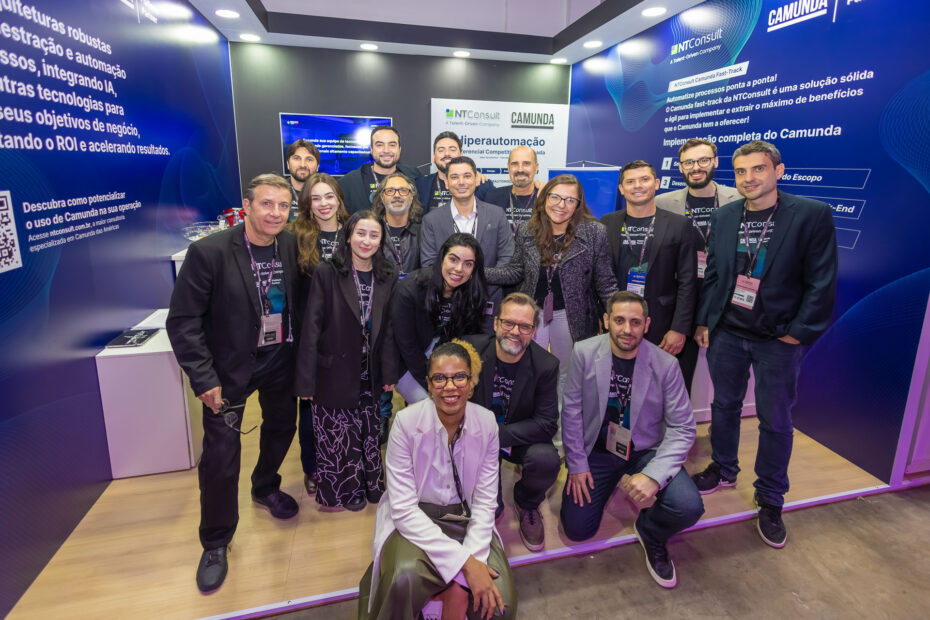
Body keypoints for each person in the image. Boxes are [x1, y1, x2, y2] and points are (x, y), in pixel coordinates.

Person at [692, 140, 838, 548]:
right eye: (741, 171)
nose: (749, 178)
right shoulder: (724, 216)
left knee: (775, 419)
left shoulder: (810, 214)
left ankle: (771, 497)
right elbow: (715, 274)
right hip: (728, 332)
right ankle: (723, 468)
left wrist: (798, 332)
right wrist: (705, 320)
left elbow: (822, 280)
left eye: (758, 169)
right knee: (724, 406)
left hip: (778, 339)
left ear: (779, 171)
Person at [166, 173, 300, 593]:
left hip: (280, 361)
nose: (275, 213)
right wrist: (203, 377)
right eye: (267, 204)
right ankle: (216, 541)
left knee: (282, 428)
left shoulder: (291, 245)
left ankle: (265, 486)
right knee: (221, 457)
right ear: (247, 206)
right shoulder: (209, 252)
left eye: (283, 205)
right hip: (228, 371)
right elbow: (183, 321)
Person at [358, 340, 517, 620]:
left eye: (459, 377)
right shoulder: (406, 424)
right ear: (429, 386)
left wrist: (467, 571)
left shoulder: (487, 423)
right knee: (402, 577)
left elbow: (484, 502)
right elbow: (404, 510)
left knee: (498, 604)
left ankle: (449, 592)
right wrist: (466, 564)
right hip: (416, 522)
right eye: (440, 378)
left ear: (471, 383)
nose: (450, 386)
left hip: (468, 521)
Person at [560, 291, 704, 588]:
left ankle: (651, 530)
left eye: (635, 322)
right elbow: (571, 410)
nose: (627, 329)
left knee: (688, 506)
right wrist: (577, 463)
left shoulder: (666, 364)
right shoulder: (584, 352)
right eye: (619, 320)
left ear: (647, 325)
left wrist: (653, 475)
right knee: (577, 529)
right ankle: (610, 481)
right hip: (598, 450)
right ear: (606, 321)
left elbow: (683, 428)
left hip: (645, 450)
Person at [295, 210, 399, 511]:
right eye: (360, 233)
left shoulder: (387, 275)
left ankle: (370, 485)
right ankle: (345, 491)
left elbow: (389, 329)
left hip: (370, 369)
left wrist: (389, 372)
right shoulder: (327, 272)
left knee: (369, 431)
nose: (366, 241)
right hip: (333, 368)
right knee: (339, 435)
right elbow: (311, 326)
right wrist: (305, 380)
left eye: (374, 235)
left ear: (381, 241)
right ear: (349, 236)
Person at [486, 174, 617, 398]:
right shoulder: (528, 229)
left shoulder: (595, 233)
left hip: (570, 315)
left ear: (578, 204)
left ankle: (561, 419)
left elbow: (605, 282)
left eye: (569, 200)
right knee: (528, 369)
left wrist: (618, 313)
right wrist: (477, 272)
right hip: (531, 314)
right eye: (555, 197)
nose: (561, 205)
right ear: (545, 198)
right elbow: (515, 271)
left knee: (566, 373)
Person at [464, 293, 560, 552]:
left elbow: (547, 423)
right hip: (477, 439)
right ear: (496, 323)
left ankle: (527, 502)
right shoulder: (471, 351)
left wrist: (496, 434)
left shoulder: (546, 365)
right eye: (508, 323)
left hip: (516, 437)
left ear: (534, 331)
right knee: (490, 511)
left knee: (546, 460)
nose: (515, 332)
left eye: (524, 326)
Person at [601, 161, 698, 391]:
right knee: (618, 386)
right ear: (621, 188)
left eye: (644, 179)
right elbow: (600, 275)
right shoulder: (607, 223)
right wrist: (602, 317)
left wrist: (679, 328)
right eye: (630, 181)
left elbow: (688, 281)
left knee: (659, 390)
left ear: (656, 183)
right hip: (617, 322)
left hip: (662, 324)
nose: (638, 186)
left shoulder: (679, 224)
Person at [656, 138, 741, 391]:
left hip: (723, 300)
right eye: (689, 162)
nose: (696, 167)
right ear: (680, 167)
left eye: (703, 160)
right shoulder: (663, 202)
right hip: (680, 299)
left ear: (715, 162)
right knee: (676, 376)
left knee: (727, 382)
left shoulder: (738, 199)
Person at [289, 172, 351, 494]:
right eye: (316, 198)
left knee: (347, 401)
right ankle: (313, 466)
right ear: (307, 203)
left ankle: (346, 459)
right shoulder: (295, 236)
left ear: (339, 199)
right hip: (310, 335)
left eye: (329, 196)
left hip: (349, 334)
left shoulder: (354, 231)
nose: (324, 204)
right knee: (310, 403)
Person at [391, 233, 490, 404]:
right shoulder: (410, 290)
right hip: (406, 363)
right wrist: (435, 383)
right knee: (439, 405)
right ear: (442, 258)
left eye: (468, 264)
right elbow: (408, 348)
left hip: (444, 358)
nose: (459, 269)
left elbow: (466, 340)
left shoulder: (471, 292)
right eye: (453, 260)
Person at [420, 156, 514, 306]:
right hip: (446, 302)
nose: (461, 182)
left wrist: (473, 275)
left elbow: (507, 260)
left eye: (467, 176)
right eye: (454, 177)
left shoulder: (497, 214)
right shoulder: (431, 220)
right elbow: (429, 265)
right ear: (446, 183)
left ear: (476, 180)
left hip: (488, 300)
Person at [339, 125, 422, 214]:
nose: (386, 150)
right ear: (371, 149)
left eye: (392, 145)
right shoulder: (348, 183)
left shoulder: (415, 177)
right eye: (379, 145)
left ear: (399, 149)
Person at [415, 131, 496, 215]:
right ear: (433, 157)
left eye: (452, 150)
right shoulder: (420, 185)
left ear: (461, 155)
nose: (447, 153)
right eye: (441, 150)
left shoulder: (482, 185)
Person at [371, 172, 422, 276]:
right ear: (382, 197)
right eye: (390, 191)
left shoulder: (424, 231)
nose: (397, 195)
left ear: (411, 197)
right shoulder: (372, 232)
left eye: (403, 190)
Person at [485, 146, 541, 234]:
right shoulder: (492, 198)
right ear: (508, 167)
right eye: (515, 164)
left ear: (536, 167)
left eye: (526, 163)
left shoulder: (545, 198)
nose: (520, 169)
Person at [284, 139, 321, 221]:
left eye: (309, 159)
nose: (303, 165)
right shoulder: (277, 192)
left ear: (317, 166)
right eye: (297, 158)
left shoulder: (325, 194)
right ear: (288, 164)